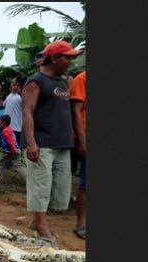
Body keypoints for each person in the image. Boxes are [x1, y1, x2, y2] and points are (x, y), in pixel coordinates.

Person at [22, 40, 82, 243]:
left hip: (62, 143)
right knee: (41, 184)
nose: (71, 61)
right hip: (42, 142)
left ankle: (36, 219)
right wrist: (31, 143)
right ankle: (41, 225)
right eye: (68, 57)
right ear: (55, 58)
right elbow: (27, 112)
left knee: (59, 189)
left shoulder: (63, 81)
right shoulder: (36, 81)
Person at [69, 70, 86, 240]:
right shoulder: (82, 79)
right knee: (86, 181)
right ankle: (81, 223)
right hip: (85, 133)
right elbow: (76, 111)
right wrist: (81, 138)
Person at [0, 114, 26, 180]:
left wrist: (13, 150)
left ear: (3, 123)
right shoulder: (9, 129)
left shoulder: (5, 131)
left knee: (0, 164)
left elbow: (11, 141)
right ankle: (27, 177)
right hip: (15, 150)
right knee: (17, 165)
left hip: (10, 151)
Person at [2, 75, 26, 152]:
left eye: (15, 84)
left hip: (16, 128)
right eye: (12, 83)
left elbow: (26, 106)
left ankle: (18, 163)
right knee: (6, 149)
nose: (12, 85)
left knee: (16, 149)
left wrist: (20, 92)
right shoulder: (9, 96)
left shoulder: (21, 96)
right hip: (7, 127)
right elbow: (2, 104)